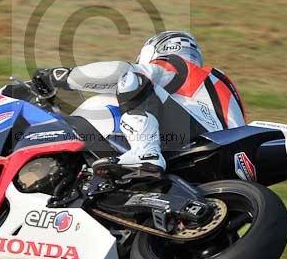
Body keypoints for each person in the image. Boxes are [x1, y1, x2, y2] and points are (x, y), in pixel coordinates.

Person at [33, 31, 246, 173]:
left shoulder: (177, 65)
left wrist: (58, 77)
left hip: (198, 140)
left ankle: (145, 153)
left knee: (131, 78)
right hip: (227, 160)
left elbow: (121, 71)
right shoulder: (218, 86)